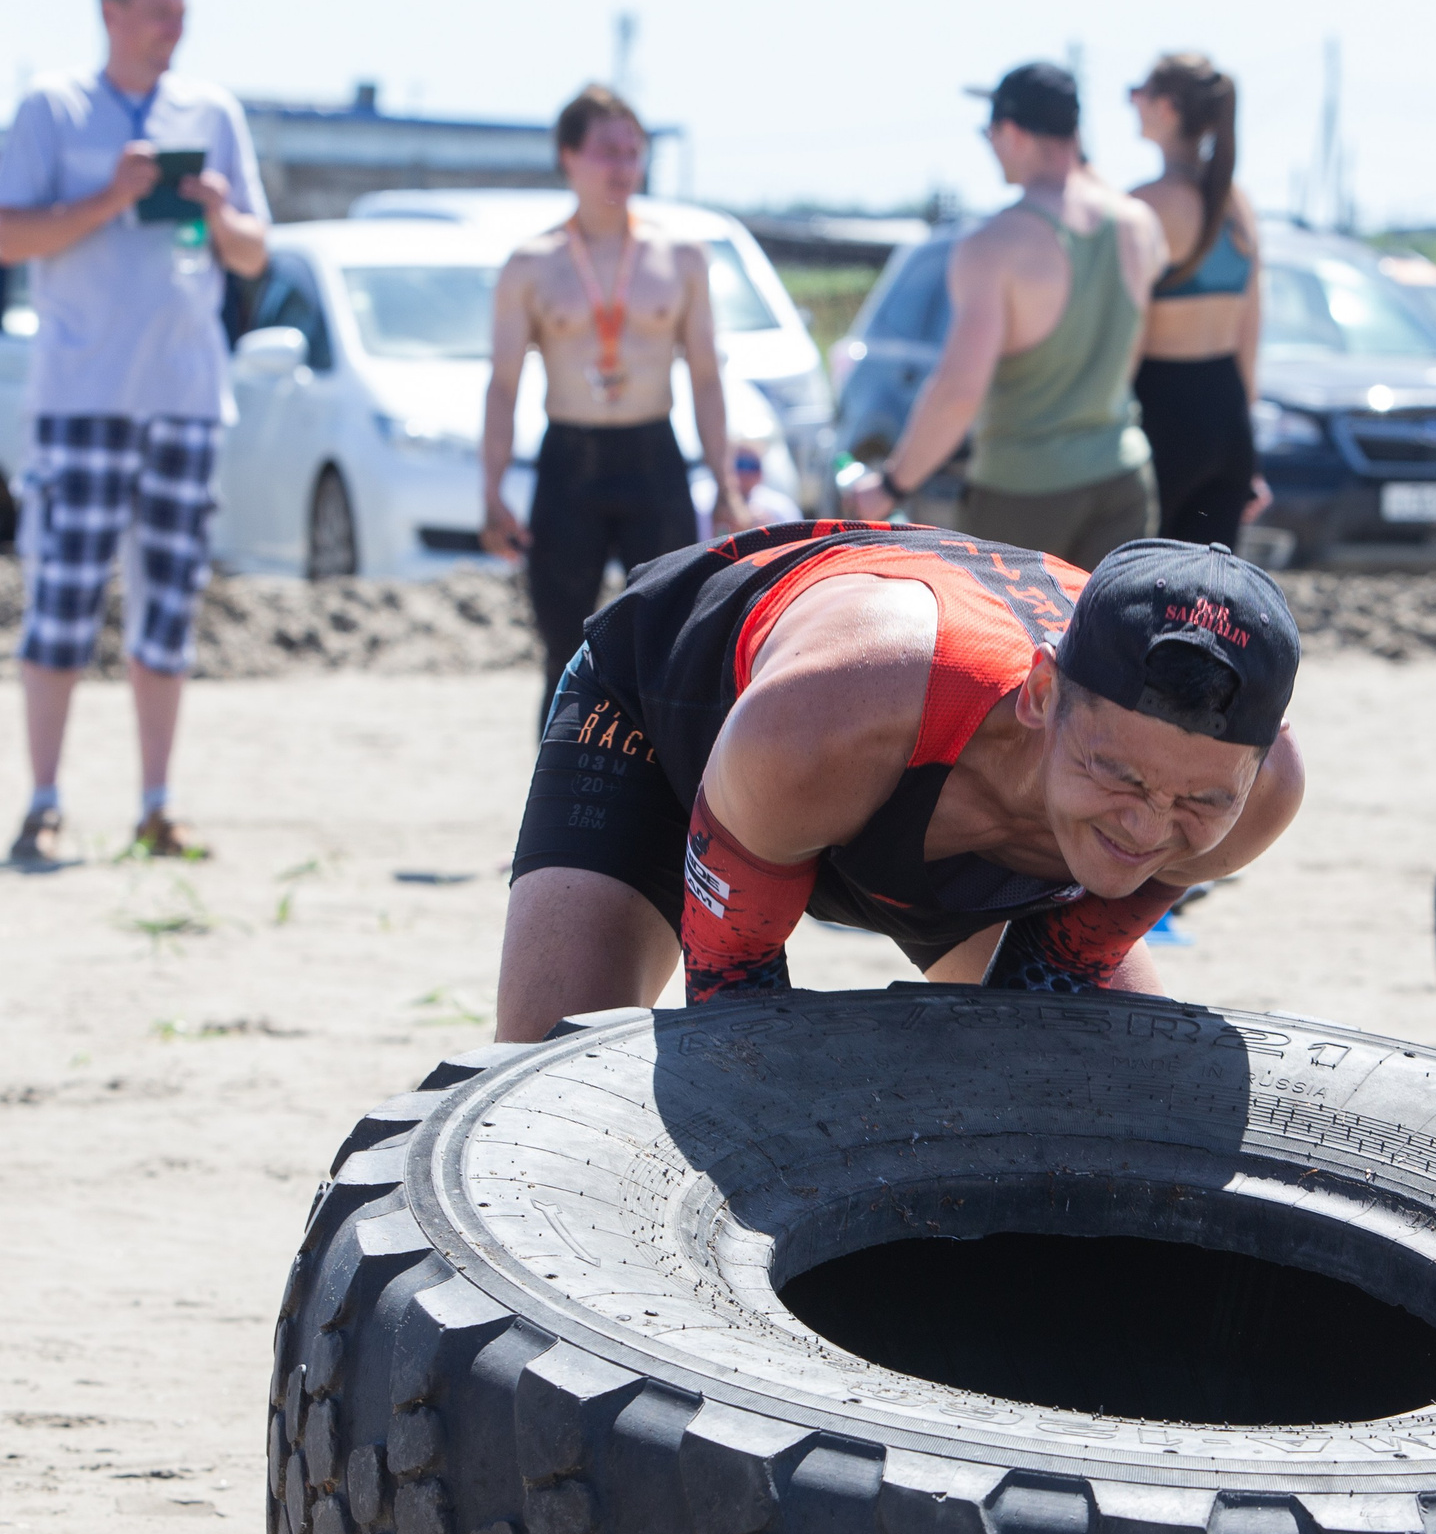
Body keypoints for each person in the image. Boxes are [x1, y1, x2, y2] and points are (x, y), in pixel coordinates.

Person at [494, 526, 1303, 1040]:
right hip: (684, 717)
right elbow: (732, 1013)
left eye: (1200, 801)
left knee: (1105, 1075)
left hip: (927, 807)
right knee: (544, 1066)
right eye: (1117, 773)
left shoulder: (1265, 796)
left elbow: (1049, 982)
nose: (1148, 826)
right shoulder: (831, 719)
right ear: (1041, 696)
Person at [0, 0, 270, 865]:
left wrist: (220, 209)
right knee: (64, 601)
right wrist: (108, 196)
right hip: (83, 398)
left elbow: (251, 254)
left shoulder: (213, 112)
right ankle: (43, 801)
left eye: (181, 11)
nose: (176, 26)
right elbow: (8, 231)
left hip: (186, 400)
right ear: (112, 12)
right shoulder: (52, 108)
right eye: (159, 10)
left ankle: (156, 806)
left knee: (168, 613)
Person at [480, 85, 744, 706]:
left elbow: (706, 376)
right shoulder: (530, 264)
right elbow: (503, 385)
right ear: (568, 157)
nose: (623, 166)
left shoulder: (681, 257)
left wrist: (725, 483)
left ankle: (663, 800)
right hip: (570, 462)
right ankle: (557, 797)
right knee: (561, 647)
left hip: (652, 455)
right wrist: (490, 492)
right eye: (607, 151)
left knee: (671, 645)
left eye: (633, 152)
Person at [842, 63, 1167, 569]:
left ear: (1011, 132)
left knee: (1013, 645)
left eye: (989, 133)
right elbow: (1133, 352)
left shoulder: (995, 244)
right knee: (1109, 645)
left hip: (1025, 491)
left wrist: (891, 484)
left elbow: (958, 392)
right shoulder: (1138, 226)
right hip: (1124, 478)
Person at [1127, 53, 1265, 547]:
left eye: (1135, 94)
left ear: (1165, 107)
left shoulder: (1146, 206)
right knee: (1206, 605)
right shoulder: (1237, 203)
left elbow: (1125, 331)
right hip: (1227, 412)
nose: (1132, 105)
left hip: (1160, 411)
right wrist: (1245, 441)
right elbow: (1251, 329)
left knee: (1133, 594)